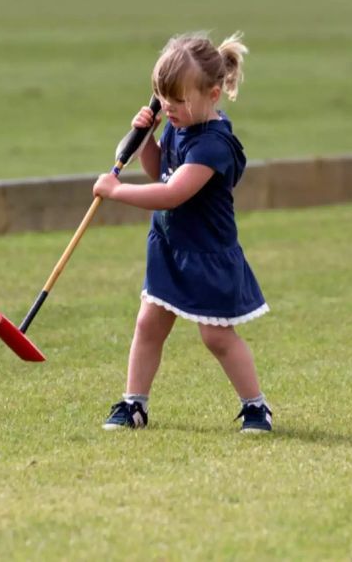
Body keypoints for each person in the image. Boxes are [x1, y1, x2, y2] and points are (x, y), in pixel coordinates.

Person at [92, 31, 272, 433]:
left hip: (207, 254)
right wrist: (149, 139)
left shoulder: (214, 145)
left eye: (177, 100)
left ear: (213, 94)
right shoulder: (180, 123)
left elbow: (173, 193)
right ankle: (133, 403)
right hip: (171, 247)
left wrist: (118, 191)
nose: (168, 108)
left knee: (217, 338)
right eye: (162, 98)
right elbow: (162, 170)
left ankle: (256, 407)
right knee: (148, 325)